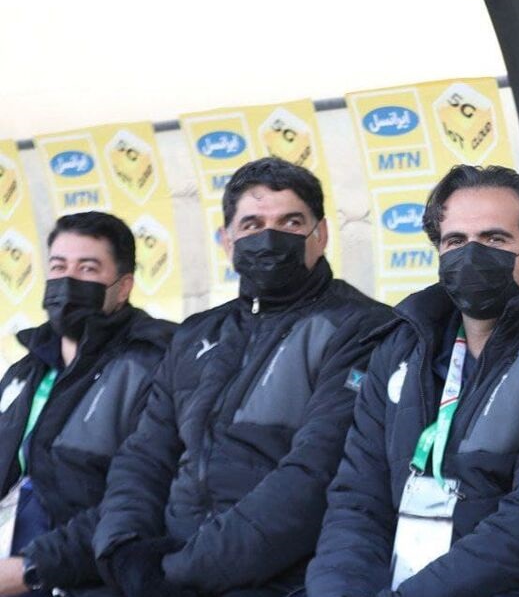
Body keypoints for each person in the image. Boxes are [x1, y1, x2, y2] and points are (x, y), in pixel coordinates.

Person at [306, 165, 519, 596]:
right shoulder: (402, 341)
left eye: (494, 239)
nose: (471, 254)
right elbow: (356, 501)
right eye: (456, 241)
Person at [91, 158, 392, 596]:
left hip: (283, 580)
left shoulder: (362, 327)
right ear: (226, 241)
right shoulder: (196, 334)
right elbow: (145, 454)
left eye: (291, 222)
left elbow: (315, 475)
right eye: (252, 224)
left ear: (322, 234)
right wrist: (122, 549)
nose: (270, 237)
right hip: (173, 567)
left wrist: (179, 571)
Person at [0, 212, 174, 596]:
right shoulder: (24, 371)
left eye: (88, 268)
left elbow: (144, 500)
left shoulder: (157, 363)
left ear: (123, 287)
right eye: (59, 267)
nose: (68, 281)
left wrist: (31, 569)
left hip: (88, 578)